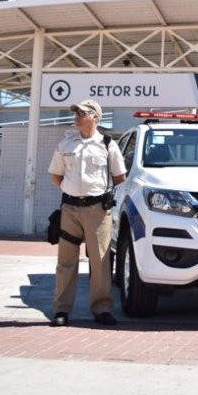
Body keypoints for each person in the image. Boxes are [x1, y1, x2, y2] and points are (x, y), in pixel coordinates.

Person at [48, 98, 126, 327]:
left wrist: (104, 196)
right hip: (70, 209)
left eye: (82, 113)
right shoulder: (66, 144)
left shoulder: (108, 144)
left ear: (95, 117)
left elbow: (120, 177)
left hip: (98, 211)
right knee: (66, 261)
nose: (77, 116)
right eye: (76, 113)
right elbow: (56, 174)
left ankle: (102, 309)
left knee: (100, 262)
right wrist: (69, 191)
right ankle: (61, 311)